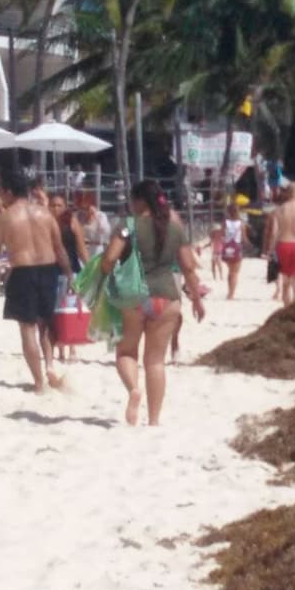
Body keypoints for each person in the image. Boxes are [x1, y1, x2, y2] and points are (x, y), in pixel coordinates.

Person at [101, 180, 205, 425]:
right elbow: (189, 267)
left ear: (139, 201)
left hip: (134, 298)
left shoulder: (127, 226)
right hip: (166, 298)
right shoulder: (175, 228)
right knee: (156, 362)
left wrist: (107, 274)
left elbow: (110, 258)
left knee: (126, 352)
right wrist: (197, 300)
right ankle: (154, 420)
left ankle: (134, 390)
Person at [0, 168, 74, 393]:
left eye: (1, 191)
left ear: (9, 192)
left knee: (27, 328)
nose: (0, 196)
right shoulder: (45, 214)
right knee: (45, 323)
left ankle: (39, 382)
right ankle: (50, 366)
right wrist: (69, 274)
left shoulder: (5, 218)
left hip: (23, 272)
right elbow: (59, 249)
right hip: (49, 270)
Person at [50, 193, 90, 363]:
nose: (56, 208)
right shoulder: (46, 222)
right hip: (51, 271)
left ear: (65, 206)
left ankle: (72, 347)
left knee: (71, 308)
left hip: (72, 270)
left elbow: (81, 248)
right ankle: (60, 347)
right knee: (55, 309)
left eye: (59, 205)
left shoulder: (72, 222)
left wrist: (90, 268)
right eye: (53, 205)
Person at [222, 202, 245, 299]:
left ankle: (229, 292)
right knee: (235, 272)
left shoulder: (225, 222)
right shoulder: (241, 223)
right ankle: (231, 294)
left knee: (230, 271)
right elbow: (243, 238)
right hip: (236, 247)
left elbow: (223, 235)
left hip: (227, 248)